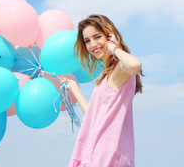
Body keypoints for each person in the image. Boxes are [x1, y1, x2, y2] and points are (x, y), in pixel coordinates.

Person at [60, 14, 144, 167]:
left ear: (109, 36)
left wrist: (113, 48)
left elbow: (134, 65)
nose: (92, 45)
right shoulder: (108, 75)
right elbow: (94, 117)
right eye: (87, 41)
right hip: (98, 153)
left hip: (104, 157)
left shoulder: (120, 69)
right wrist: (74, 89)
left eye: (97, 37)